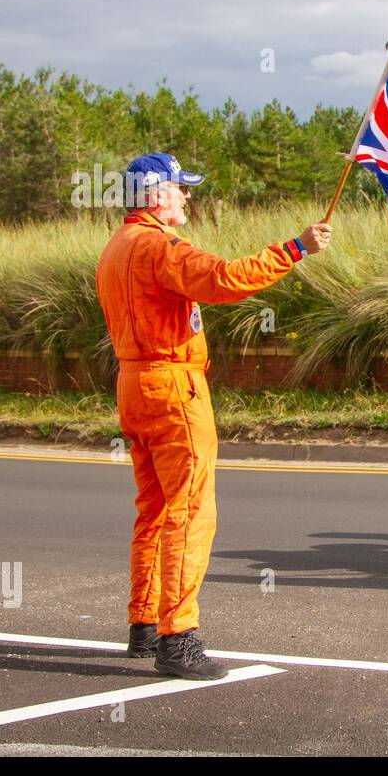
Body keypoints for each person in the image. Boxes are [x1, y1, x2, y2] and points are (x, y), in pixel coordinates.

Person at [95, 153, 332, 679]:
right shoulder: (157, 246)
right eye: (181, 189)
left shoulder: (117, 246)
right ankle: (177, 638)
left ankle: (144, 625)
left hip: (133, 383)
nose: (187, 197)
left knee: (154, 507)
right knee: (190, 509)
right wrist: (295, 248)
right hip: (174, 386)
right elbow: (225, 280)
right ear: (156, 196)